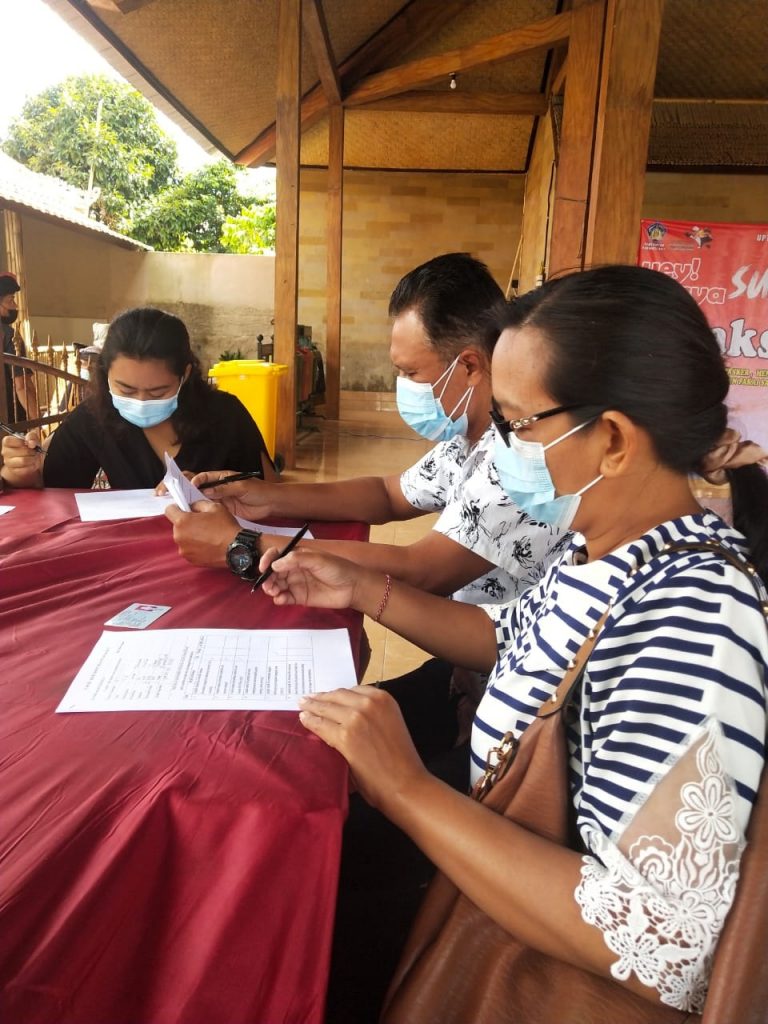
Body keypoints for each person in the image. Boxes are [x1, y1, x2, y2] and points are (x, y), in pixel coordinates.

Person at [258, 265, 768, 1018]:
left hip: (534, 964)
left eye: (520, 424)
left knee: (286, 934)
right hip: (485, 867)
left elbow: (665, 945)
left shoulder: (693, 612)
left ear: (614, 440)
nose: (501, 450)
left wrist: (406, 788)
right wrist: (361, 588)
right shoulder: (602, 544)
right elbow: (508, 637)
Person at [165, 252, 569, 758]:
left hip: (507, 702)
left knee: (295, 751)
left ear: (468, 365)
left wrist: (243, 543)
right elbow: (388, 493)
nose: (404, 386)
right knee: (298, 729)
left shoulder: (519, 456)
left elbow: (422, 570)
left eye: (411, 372)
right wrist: (267, 496)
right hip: (472, 663)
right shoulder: (470, 436)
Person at [0, 307, 276, 490]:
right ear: (106, 373)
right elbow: (50, 487)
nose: (142, 401)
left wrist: (222, 492)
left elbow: (272, 491)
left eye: (158, 392)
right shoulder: (95, 417)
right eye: (126, 390)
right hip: (131, 555)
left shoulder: (226, 415)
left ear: (185, 374)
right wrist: (19, 471)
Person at [0, 272, 38, 424]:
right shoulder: (11, 335)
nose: (15, 306)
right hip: (11, 418)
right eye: (11, 300)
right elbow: (22, 386)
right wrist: (39, 422)